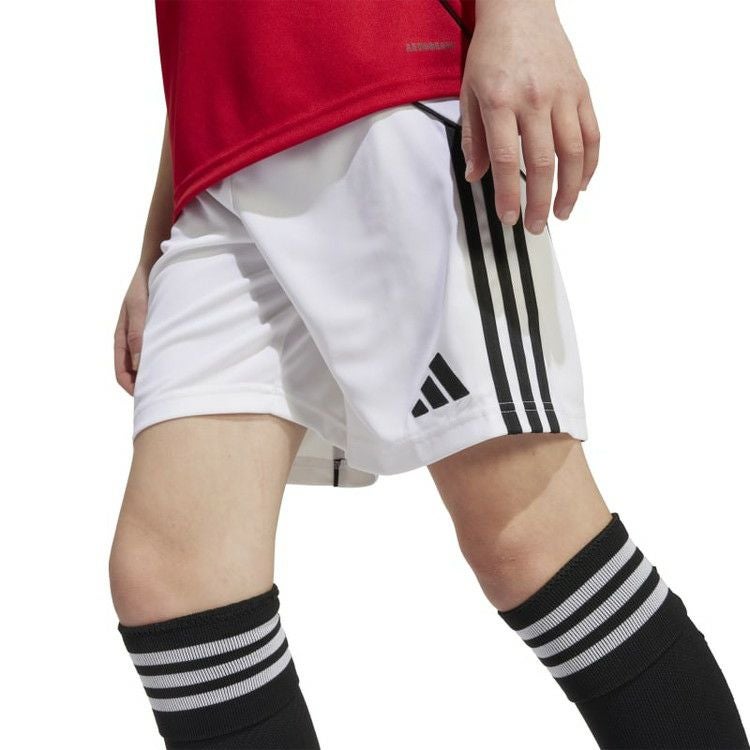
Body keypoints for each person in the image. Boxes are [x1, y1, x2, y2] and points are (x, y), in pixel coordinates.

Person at [111, 1, 749, 748]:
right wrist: (161, 232)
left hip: (386, 82)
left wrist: (520, 14)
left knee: (535, 542)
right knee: (176, 583)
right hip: (221, 148)